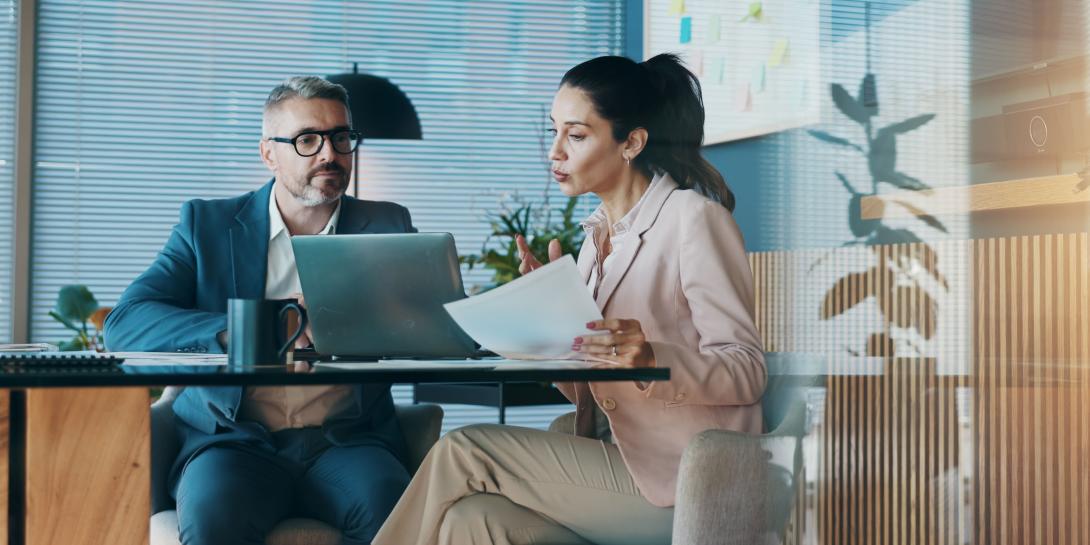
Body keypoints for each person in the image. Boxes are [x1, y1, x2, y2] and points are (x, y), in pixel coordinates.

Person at [372, 53, 767, 545]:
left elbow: (747, 368)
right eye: (555, 131)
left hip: (684, 480)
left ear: (632, 143)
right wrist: (548, 317)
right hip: (612, 460)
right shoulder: (595, 240)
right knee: (468, 520)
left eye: (576, 136)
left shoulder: (693, 220)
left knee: (463, 450)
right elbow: (585, 387)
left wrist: (652, 357)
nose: (555, 152)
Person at [104, 76, 415, 545]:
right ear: (269, 153)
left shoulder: (388, 225)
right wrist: (260, 327)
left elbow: (433, 322)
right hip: (231, 441)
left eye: (341, 137)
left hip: (347, 440)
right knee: (214, 519)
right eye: (307, 139)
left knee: (393, 509)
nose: (329, 154)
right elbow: (125, 325)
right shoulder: (205, 226)